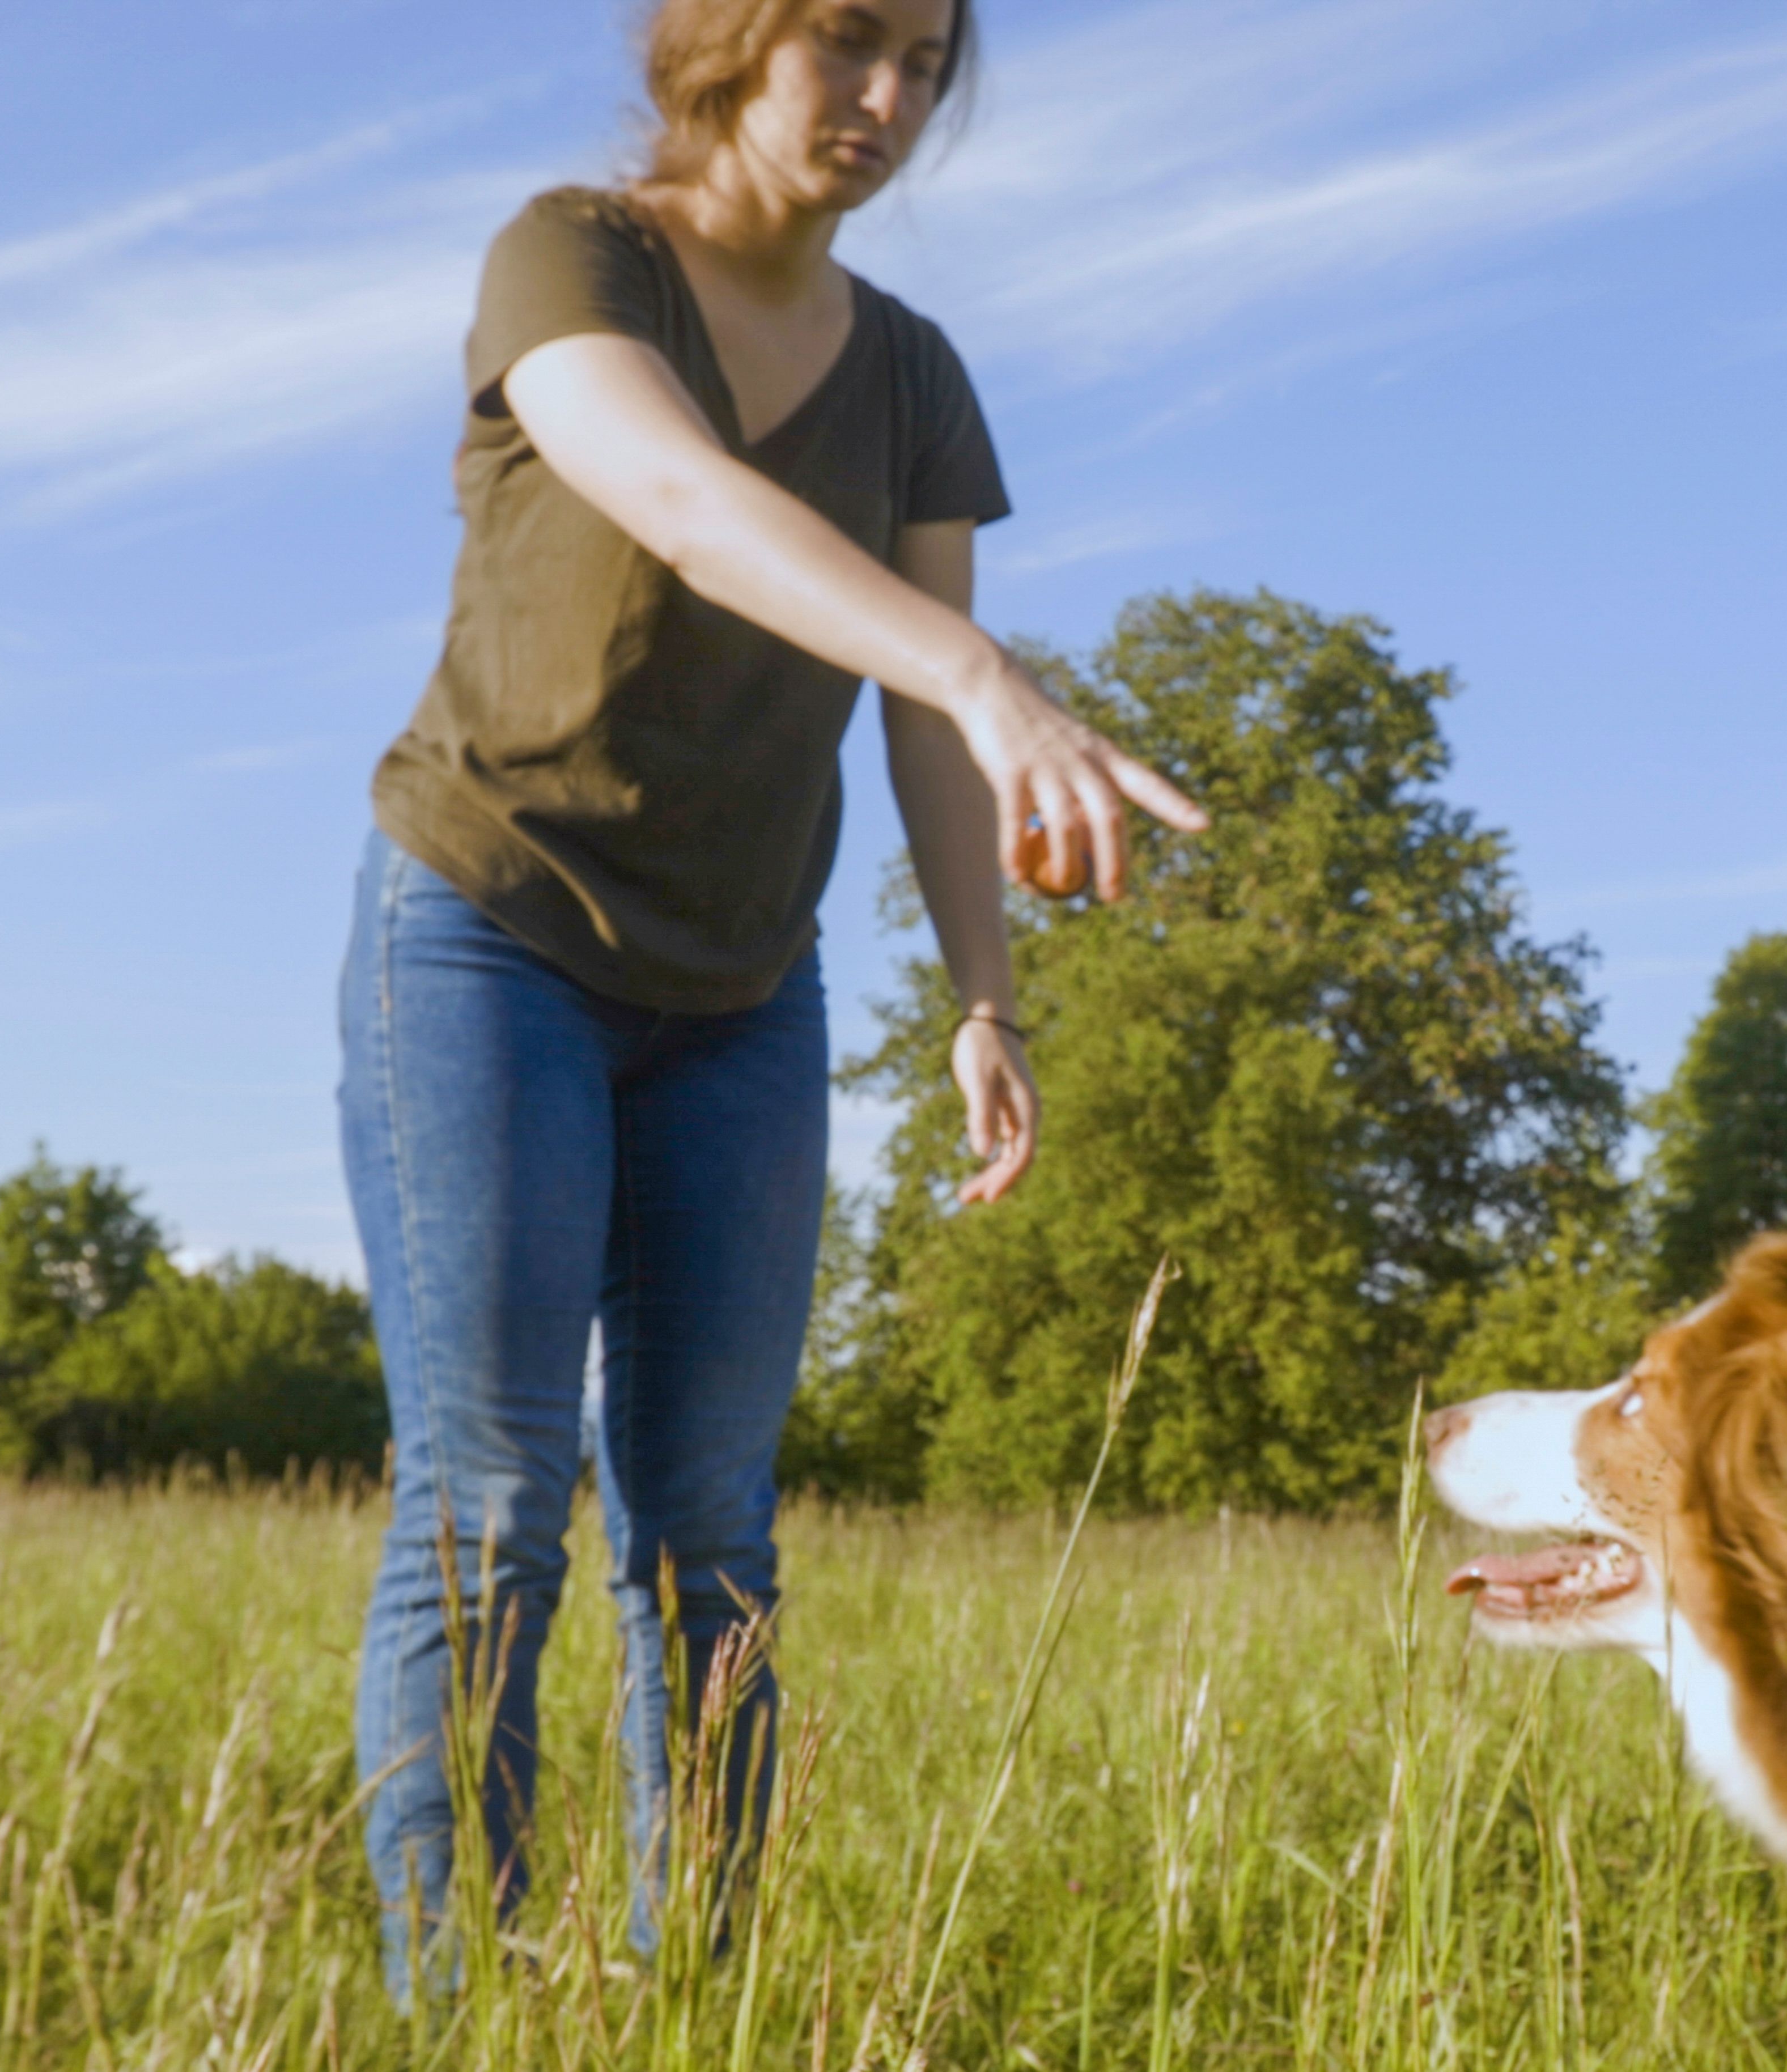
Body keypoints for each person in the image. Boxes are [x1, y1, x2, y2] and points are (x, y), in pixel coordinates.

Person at [338, 0, 1203, 1986]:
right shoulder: (573, 257)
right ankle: (450, 1997)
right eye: (847, 45)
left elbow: (917, 717)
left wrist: (985, 1000)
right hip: (490, 926)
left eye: (926, 59)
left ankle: (688, 1998)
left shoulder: (912, 372)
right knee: (488, 1501)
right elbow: (691, 508)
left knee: (712, 1527)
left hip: (743, 991)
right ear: (731, 39)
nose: (890, 102)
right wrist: (991, 680)